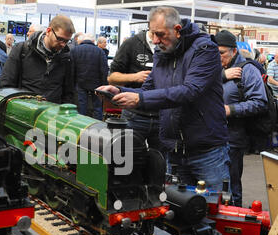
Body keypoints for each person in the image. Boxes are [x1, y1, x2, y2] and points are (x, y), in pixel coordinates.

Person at [97, 6, 230, 192]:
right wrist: (118, 90)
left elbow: (190, 91)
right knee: (177, 212)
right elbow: (148, 89)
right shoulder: (162, 53)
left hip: (206, 151)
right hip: (173, 150)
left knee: (210, 210)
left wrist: (139, 99)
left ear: (177, 30)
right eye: (152, 34)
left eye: (160, 34)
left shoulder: (205, 49)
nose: (155, 40)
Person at [215, 29, 268, 207]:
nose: (217, 57)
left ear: (234, 51)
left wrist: (231, 109)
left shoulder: (248, 70)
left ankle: (234, 220)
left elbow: (260, 102)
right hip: (211, 135)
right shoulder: (218, 69)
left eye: (221, 53)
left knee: (231, 184)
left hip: (233, 137)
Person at [107, 22, 161, 153]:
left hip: (162, 116)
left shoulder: (170, 46)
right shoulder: (131, 44)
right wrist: (134, 77)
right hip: (135, 115)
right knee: (128, 160)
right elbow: (111, 78)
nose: (157, 39)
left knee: (160, 164)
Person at [0, 15, 75, 104]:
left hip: (52, 114)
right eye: (60, 39)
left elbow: (68, 93)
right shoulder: (21, 50)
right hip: (24, 111)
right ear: (48, 31)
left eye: (67, 41)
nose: (63, 44)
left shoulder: (66, 57)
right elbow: (5, 86)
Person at [70, 33, 108, 120]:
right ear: (93, 41)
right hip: (96, 84)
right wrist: (104, 85)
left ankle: (81, 126)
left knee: (81, 107)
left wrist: (72, 84)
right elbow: (104, 70)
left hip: (80, 83)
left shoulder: (75, 50)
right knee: (97, 108)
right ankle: (98, 127)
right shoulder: (99, 51)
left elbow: (71, 70)